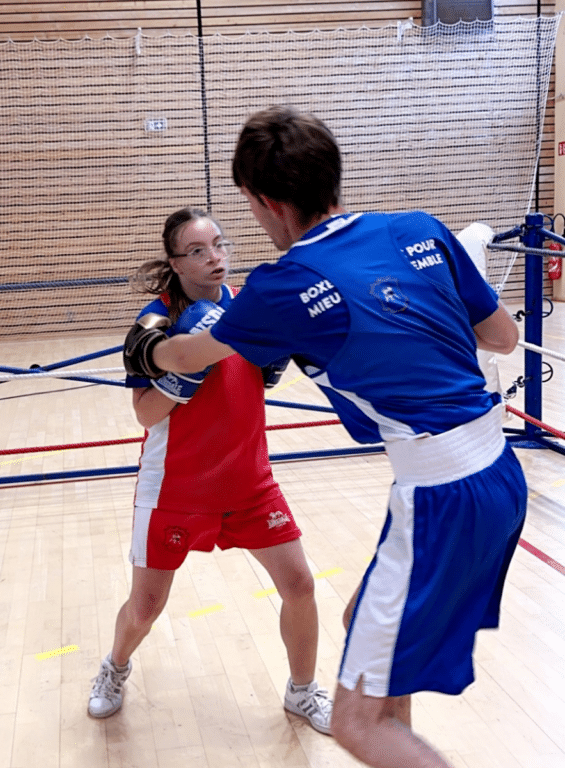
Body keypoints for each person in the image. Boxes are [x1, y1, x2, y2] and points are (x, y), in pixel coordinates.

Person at [123, 108, 527, 768]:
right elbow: (503, 339)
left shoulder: (283, 284)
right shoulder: (419, 228)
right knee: (364, 640)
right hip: (501, 473)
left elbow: (195, 357)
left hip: (441, 495)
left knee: (355, 723)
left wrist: (152, 351)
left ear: (264, 203)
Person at [87, 206, 333, 735]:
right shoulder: (154, 323)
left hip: (250, 481)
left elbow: (260, 379)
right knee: (146, 607)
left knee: (300, 583)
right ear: (175, 263)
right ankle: (115, 667)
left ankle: (302, 691)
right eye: (197, 251)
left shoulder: (250, 307)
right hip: (176, 486)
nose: (214, 258)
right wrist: (181, 378)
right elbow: (144, 414)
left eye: (219, 245)